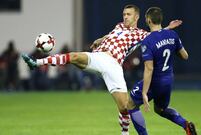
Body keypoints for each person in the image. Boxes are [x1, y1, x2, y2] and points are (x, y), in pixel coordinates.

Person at [22, 5, 182, 135]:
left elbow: (157, 35)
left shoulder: (142, 34)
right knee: (74, 56)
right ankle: (36, 62)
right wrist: (101, 39)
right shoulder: (119, 25)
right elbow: (112, 35)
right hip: (99, 57)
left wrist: (168, 28)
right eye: (124, 14)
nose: (125, 17)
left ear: (136, 17)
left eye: (128, 14)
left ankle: (124, 133)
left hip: (114, 65)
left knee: (125, 106)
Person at [127, 7, 197, 135]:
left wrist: (144, 93)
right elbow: (185, 56)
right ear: (161, 19)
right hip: (168, 80)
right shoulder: (173, 35)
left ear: (148, 20)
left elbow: (149, 68)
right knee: (160, 109)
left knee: (131, 104)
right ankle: (185, 125)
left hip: (155, 81)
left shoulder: (147, 42)